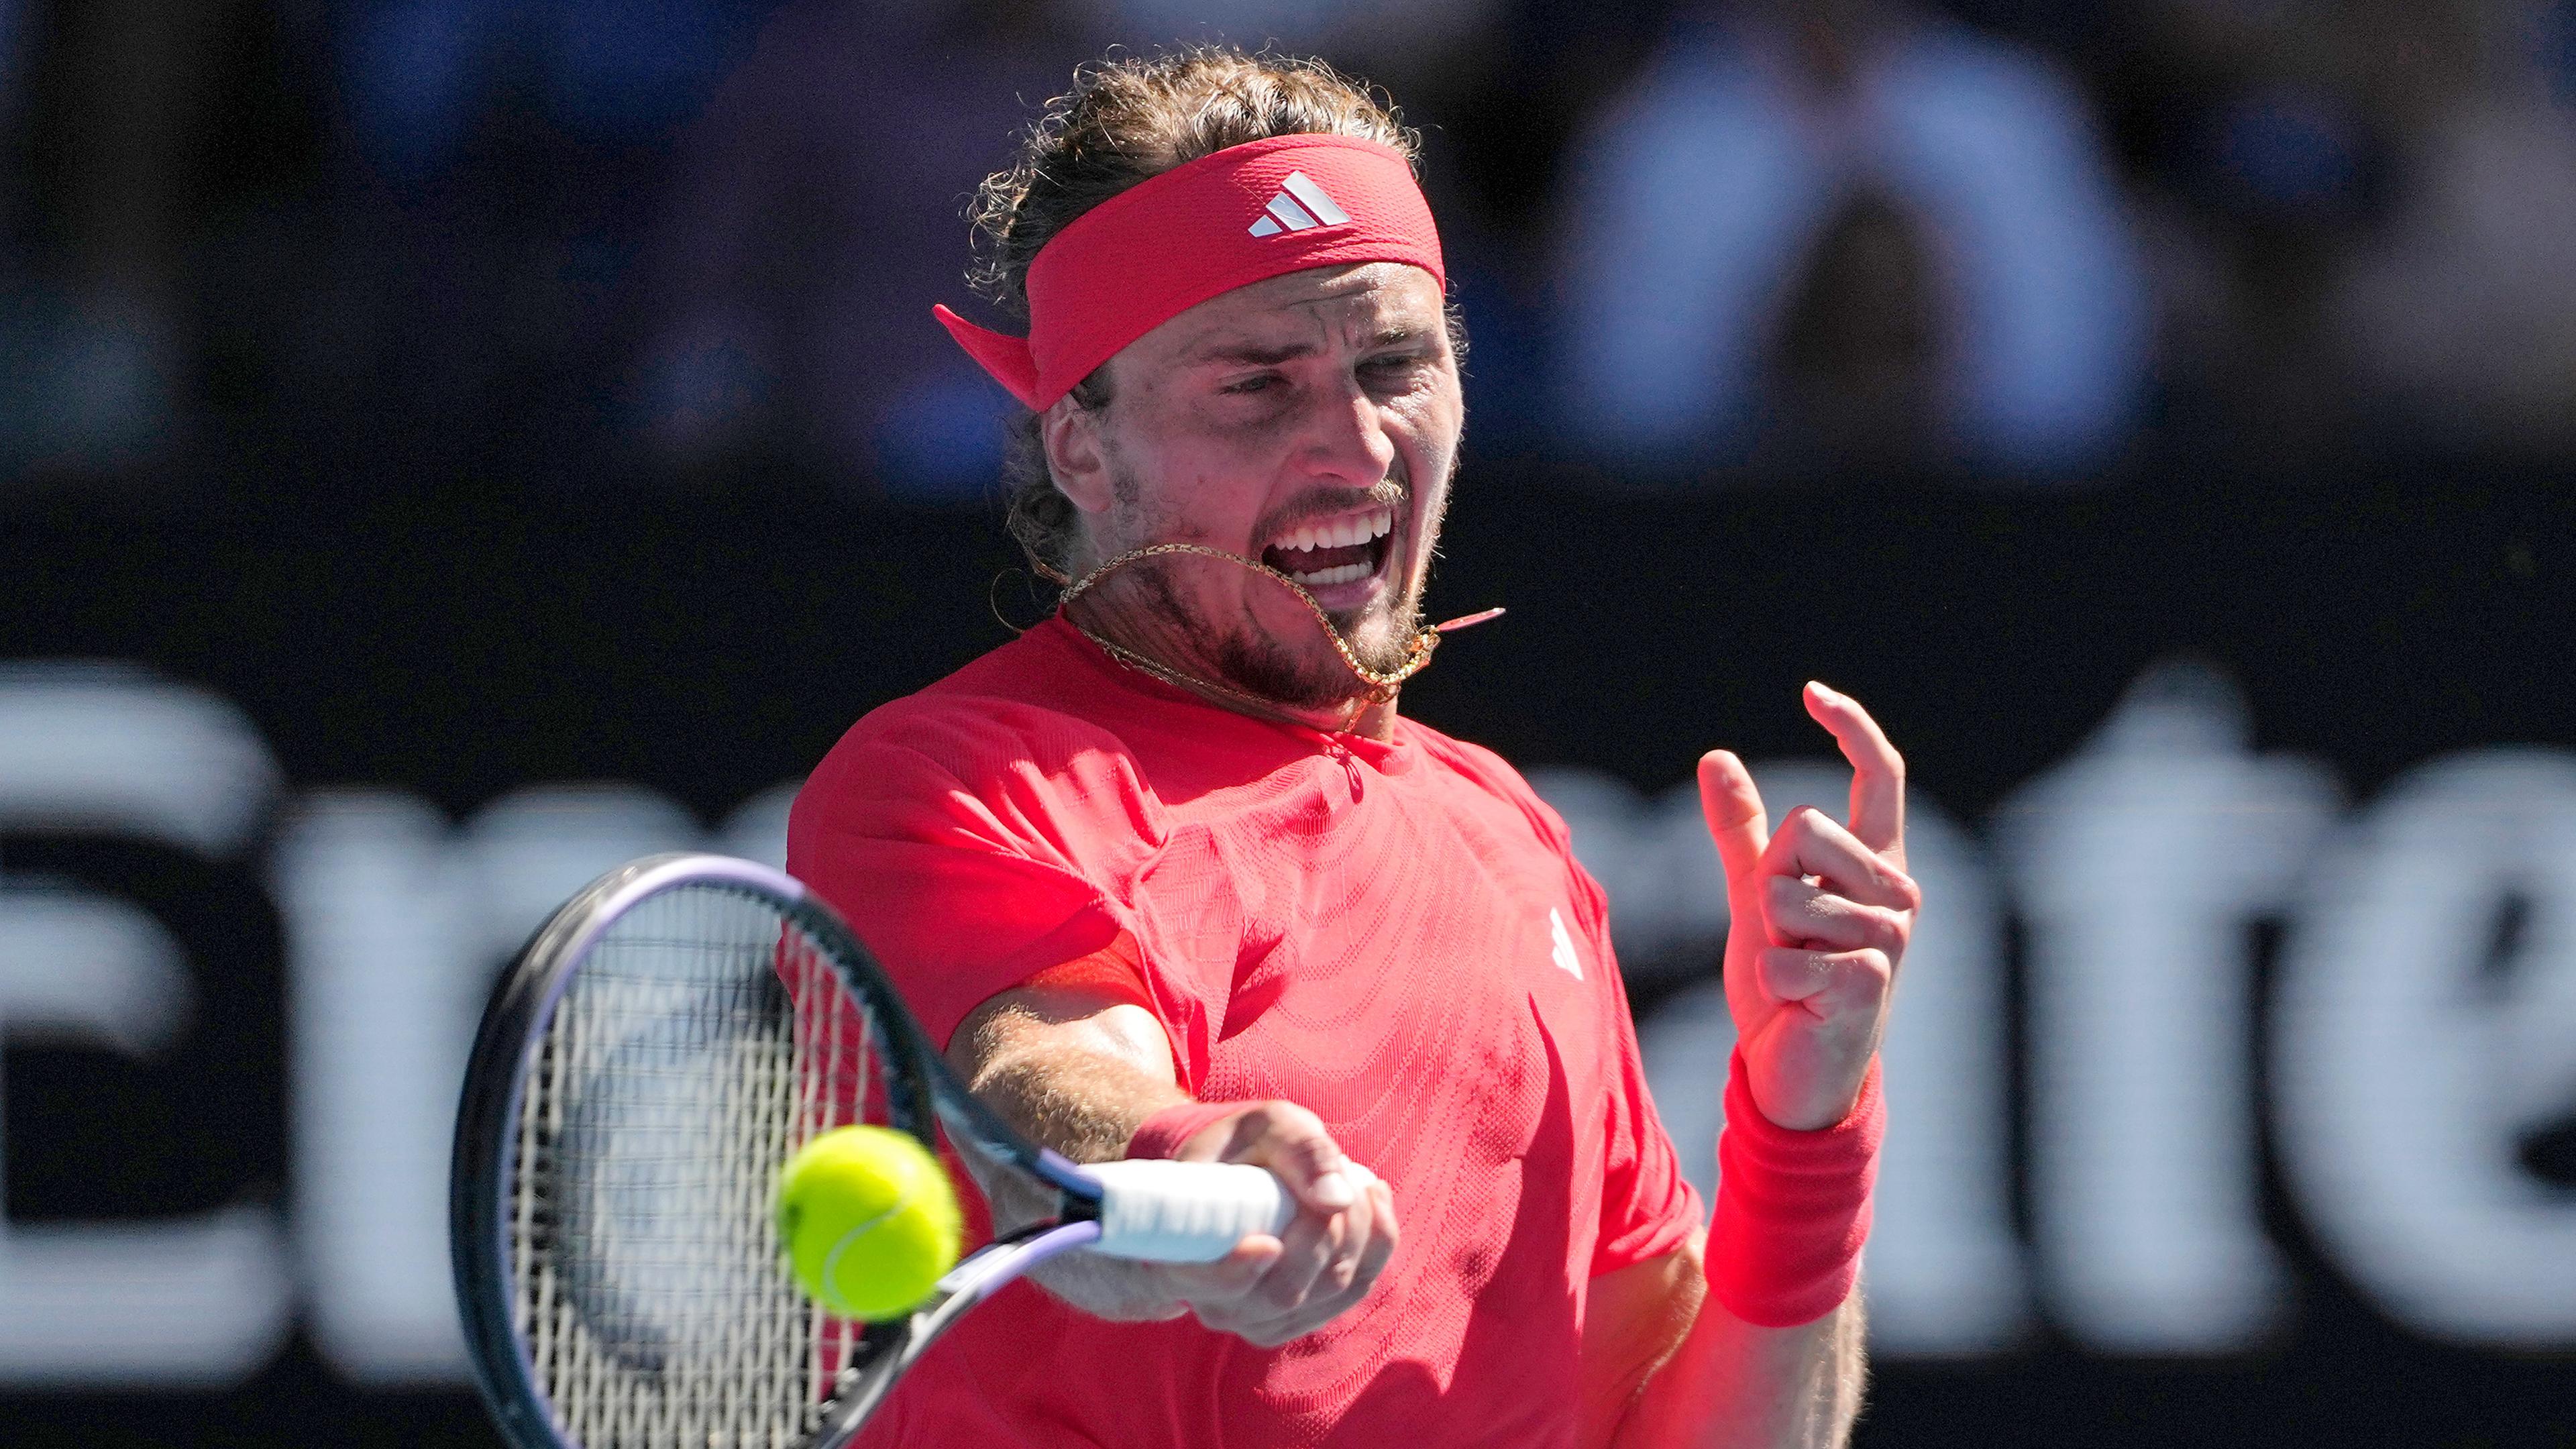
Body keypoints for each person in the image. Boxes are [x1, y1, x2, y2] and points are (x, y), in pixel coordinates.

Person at [786, 46, 1920, 1447]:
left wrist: (1805, 1131)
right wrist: (1189, 1161)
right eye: (1256, 386)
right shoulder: (955, 778)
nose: (1358, 445)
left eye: (1397, 362)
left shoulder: (1515, 844)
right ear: (1080, 447)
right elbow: (1038, 1089)